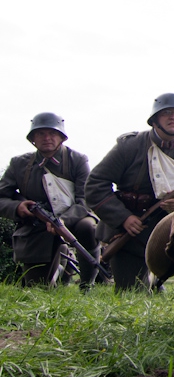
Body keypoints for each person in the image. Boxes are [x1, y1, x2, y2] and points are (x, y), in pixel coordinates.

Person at [86, 93, 174, 292]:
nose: (173, 117)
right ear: (154, 120)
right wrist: (123, 218)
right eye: (166, 112)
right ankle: (151, 281)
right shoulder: (130, 146)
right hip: (133, 229)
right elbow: (95, 184)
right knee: (131, 291)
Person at [0, 113, 100, 288]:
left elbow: (86, 199)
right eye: (40, 134)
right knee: (38, 288)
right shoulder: (18, 164)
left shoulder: (77, 160)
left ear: (61, 137)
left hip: (72, 219)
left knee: (88, 227)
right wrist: (17, 207)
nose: (47, 138)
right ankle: (62, 262)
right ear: (33, 139)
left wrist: (63, 221)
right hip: (36, 227)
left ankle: (87, 283)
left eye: (52, 133)